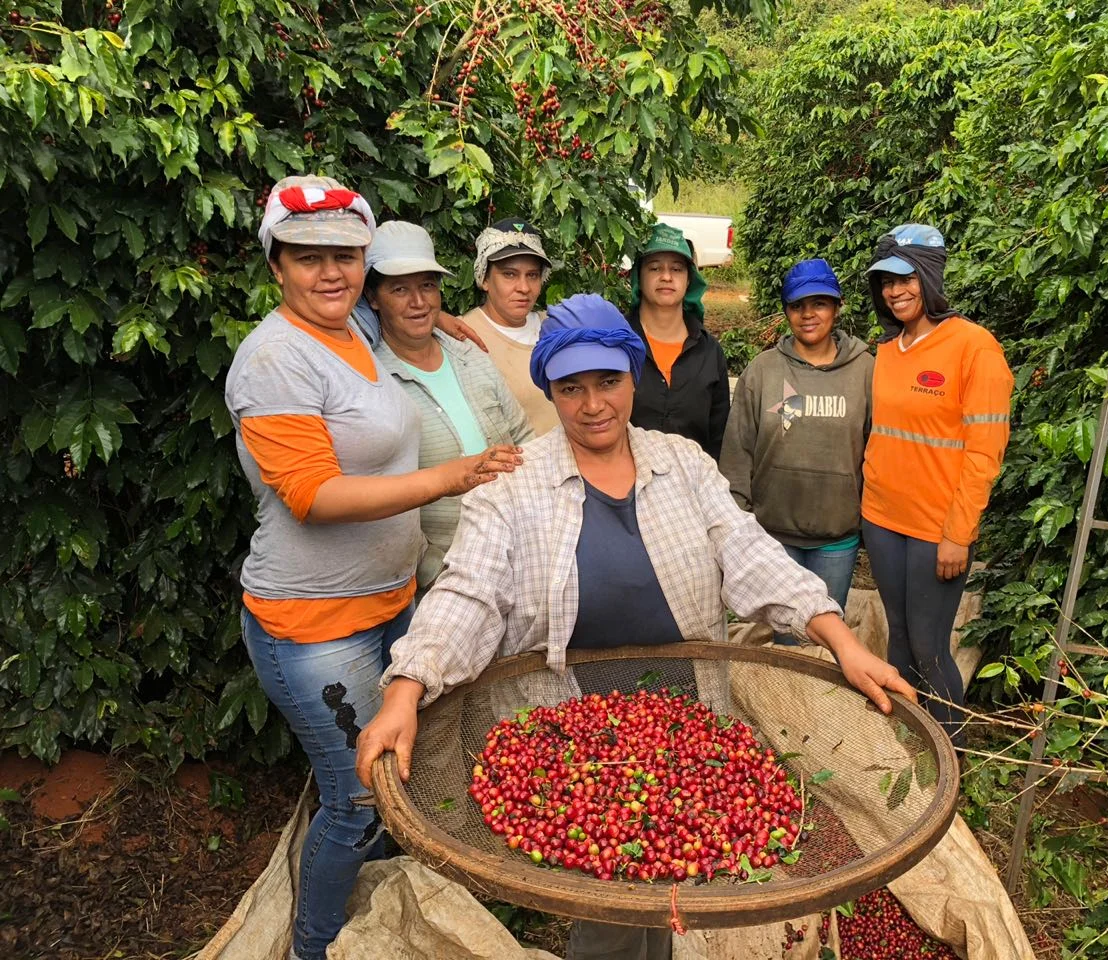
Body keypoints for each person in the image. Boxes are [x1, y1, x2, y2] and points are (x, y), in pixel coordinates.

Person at [354, 293, 915, 960]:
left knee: (675, 875)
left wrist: (840, 639)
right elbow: (468, 591)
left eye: (609, 381)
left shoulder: (681, 463)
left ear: (633, 377)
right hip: (567, 729)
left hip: (686, 715)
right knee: (608, 891)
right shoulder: (512, 484)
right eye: (571, 388)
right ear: (549, 391)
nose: (593, 404)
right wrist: (407, 687)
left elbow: (748, 551)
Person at [223, 176, 522, 960]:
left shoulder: (349, 326)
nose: (332, 272)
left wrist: (446, 316)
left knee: (399, 778)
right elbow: (313, 496)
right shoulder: (275, 360)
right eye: (307, 257)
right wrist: (450, 476)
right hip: (315, 625)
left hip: (393, 603)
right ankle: (315, 947)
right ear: (276, 265)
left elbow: (402, 307)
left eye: (347, 256)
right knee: (357, 799)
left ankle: (382, 919)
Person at [861, 223, 1014, 744]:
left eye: (905, 279)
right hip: (882, 520)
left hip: (936, 530)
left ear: (929, 277)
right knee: (899, 640)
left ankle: (949, 758)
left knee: (929, 647)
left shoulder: (975, 348)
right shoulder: (887, 350)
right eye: (886, 282)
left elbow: (985, 452)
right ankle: (904, 753)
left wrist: (958, 533)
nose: (895, 291)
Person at [363, 220, 535, 589]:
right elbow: (376, 494)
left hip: (515, 556)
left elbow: (523, 436)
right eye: (399, 289)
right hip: (439, 577)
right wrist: (430, 567)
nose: (418, 302)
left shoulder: (469, 353)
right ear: (372, 298)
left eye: (427, 285)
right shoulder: (370, 377)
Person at [719, 259, 873, 637]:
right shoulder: (763, 370)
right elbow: (738, 449)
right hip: (773, 535)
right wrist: (737, 521)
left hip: (837, 537)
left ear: (837, 307)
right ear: (786, 311)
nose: (808, 314)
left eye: (819, 304)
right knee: (783, 641)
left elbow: (877, 451)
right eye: (797, 305)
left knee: (824, 638)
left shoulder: (865, 370)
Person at [625, 223, 730, 458]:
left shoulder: (709, 352)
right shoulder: (617, 343)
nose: (666, 277)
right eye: (654, 268)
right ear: (638, 276)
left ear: (689, 279)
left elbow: (719, 437)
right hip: (623, 478)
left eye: (677, 269)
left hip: (694, 478)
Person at [456, 217, 560, 435]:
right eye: (509, 274)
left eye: (532, 275)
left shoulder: (555, 325)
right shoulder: (464, 336)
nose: (523, 287)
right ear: (484, 279)